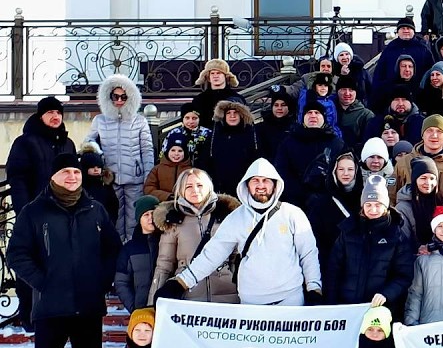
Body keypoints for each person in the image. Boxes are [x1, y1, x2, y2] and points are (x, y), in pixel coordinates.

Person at [7, 153, 121, 348]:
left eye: (76, 172)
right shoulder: (34, 212)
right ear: (53, 177)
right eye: (66, 172)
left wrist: (102, 280)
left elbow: (112, 249)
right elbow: (17, 254)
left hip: (88, 301)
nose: (72, 177)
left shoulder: (95, 209)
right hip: (50, 304)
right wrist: (42, 282)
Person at [154, 159, 322, 306]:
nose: (261, 185)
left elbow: (308, 253)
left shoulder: (292, 214)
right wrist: (180, 282)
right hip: (252, 301)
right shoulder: (235, 218)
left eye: (266, 181)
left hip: (290, 298)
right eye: (255, 180)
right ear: (247, 184)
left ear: (275, 184)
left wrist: (314, 287)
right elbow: (212, 255)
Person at [326, 175, 415, 320]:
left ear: (385, 206)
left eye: (378, 204)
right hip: (347, 307)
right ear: (362, 206)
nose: (373, 209)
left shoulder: (396, 235)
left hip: (379, 311)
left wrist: (386, 294)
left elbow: (404, 275)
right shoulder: (348, 231)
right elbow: (334, 269)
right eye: (368, 204)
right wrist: (332, 303)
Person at [149, 167, 240, 304]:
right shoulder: (173, 220)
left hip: (227, 297)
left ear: (208, 187)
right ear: (181, 190)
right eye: (189, 186)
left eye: (199, 185)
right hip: (189, 297)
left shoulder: (227, 215)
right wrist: (153, 304)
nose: (195, 190)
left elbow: (237, 258)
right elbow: (164, 265)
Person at [86, 74, 154, 238]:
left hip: (135, 179)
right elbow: (89, 142)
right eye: (115, 96)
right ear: (108, 97)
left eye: (123, 96)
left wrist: (148, 176)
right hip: (110, 179)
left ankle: (132, 254)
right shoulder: (100, 120)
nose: (119, 100)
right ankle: (116, 256)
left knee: (134, 219)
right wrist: (97, 155)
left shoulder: (139, 121)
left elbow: (147, 149)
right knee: (113, 218)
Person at [274, 101, 345, 206]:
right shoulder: (289, 142)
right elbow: (281, 170)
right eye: (309, 113)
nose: (313, 115)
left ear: (324, 117)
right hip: (295, 202)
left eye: (317, 113)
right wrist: (300, 194)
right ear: (303, 118)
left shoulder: (336, 143)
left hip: (329, 202)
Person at [206, 100, 261, 195]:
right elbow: (206, 159)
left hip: (245, 187)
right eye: (228, 113)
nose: (232, 116)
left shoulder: (252, 134)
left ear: (241, 115)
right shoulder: (215, 135)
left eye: (236, 112)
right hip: (219, 188)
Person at [372, 17, 437, 96]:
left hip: (418, 94)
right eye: (403, 28)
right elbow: (380, 73)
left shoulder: (423, 49)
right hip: (393, 94)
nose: (406, 31)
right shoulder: (390, 49)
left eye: (408, 28)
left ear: (413, 31)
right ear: (398, 31)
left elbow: (431, 71)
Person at [189, 59, 248, 126]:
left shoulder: (236, 98)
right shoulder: (199, 99)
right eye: (212, 73)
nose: (215, 76)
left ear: (225, 76)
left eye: (218, 73)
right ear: (208, 77)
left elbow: (244, 121)